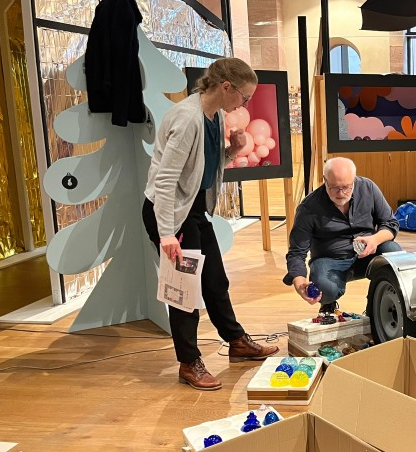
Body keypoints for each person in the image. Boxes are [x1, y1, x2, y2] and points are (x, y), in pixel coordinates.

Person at [143, 57, 278, 391]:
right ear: (226, 87)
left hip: (192, 209)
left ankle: (236, 341)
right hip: (169, 212)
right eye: (245, 97)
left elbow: (205, 167)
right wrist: (166, 233)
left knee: (215, 280)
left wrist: (233, 151)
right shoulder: (187, 119)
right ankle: (189, 363)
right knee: (184, 290)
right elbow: (165, 180)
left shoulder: (215, 115)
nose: (245, 104)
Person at [284, 157, 401, 314]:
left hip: (367, 255)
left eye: (346, 187)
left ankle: (375, 304)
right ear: (325, 180)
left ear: (354, 179)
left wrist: (375, 239)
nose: (341, 193)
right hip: (329, 260)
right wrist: (300, 283)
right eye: (334, 187)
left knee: (393, 252)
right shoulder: (308, 208)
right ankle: (328, 302)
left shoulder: (368, 188)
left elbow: (391, 223)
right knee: (324, 290)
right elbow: (296, 252)